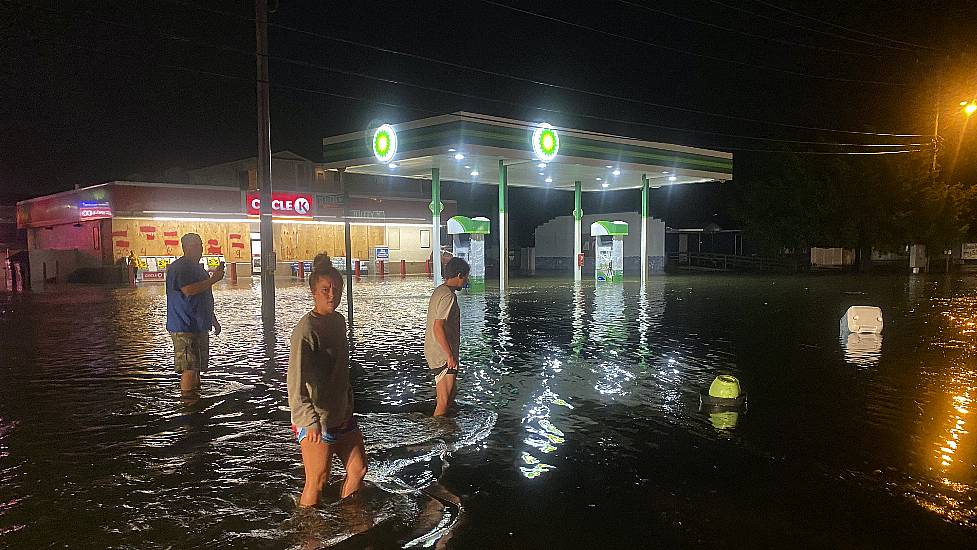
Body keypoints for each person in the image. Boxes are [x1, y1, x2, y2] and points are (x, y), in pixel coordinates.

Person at [287, 253, 367, 506]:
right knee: (317, 481)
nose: (332, 294)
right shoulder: (306, 330)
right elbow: (295, 381)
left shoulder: (338, 321)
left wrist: (348, 399)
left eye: (337, 289)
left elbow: (341, 368)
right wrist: (310, 421)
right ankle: (309, 533)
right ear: (313, 291)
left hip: (341, 413)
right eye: (325, 289)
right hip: (316, 419)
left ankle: (347, 519)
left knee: (358, 469)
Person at [165, 233, 223, 396]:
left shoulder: (199, 269)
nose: (200, 248)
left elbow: (204, 296)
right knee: (189, 368)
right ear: (186, 248)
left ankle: (196, 399)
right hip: (184, 325)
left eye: (200, 244)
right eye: (195, 245)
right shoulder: (180, 267)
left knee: (197, 367)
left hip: (199, 324)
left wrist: (213, 320)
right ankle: (188, 405)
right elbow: (189, 290)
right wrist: (214, 280)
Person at [424, 257, 470, 416]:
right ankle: (435, 436)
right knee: (443, 401)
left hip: (436, 351)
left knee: (451, 396)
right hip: (442, 354)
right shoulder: (448, 297)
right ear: (459, 275)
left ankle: (448, 430)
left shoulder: (440, 290)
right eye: (466, 277)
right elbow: (438, 327)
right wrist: (450, 355)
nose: (466, 281)